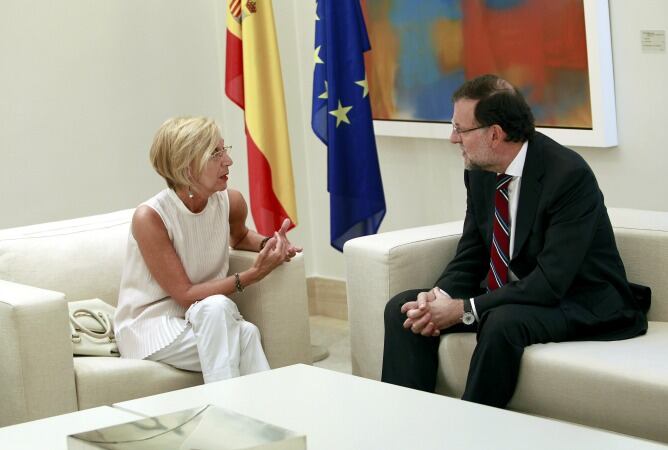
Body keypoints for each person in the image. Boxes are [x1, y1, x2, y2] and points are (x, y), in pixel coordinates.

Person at [381, 74, 648, 408]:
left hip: (578, 298)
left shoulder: (567, 175)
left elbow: (551, 281)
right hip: (512, 296)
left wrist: (465, 309)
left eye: (460, 129)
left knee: (502, 322)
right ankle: (403, 424)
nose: (453, 139)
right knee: (404, 310)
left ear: (495, 134)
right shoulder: (478, 170)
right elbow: (473, 251)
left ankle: (469, 431)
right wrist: (439, 297)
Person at [114, 116, 301, 382]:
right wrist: (254, 274)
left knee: (235, 325)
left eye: (225, 150)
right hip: (151, 328)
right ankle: (255, 417)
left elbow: (240, 236)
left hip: (207, 316)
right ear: (186, 166)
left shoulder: (230, 201)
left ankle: (238, 419)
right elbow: (186, 295)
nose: (228, 160)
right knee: (239, 331)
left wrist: (268, 244)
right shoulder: (151, 217)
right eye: (215, 153)